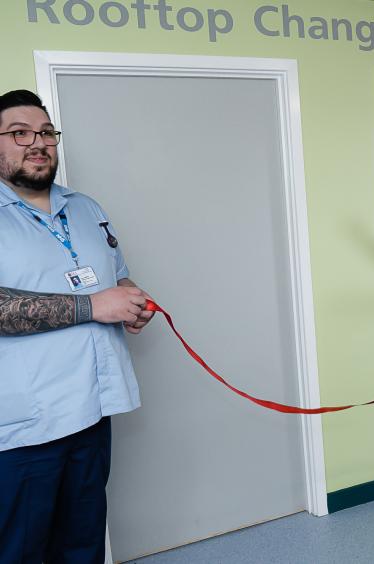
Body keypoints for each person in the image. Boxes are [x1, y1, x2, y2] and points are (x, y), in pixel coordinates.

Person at [0, 90, 155, 563]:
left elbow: (115, 273)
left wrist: (129, 301)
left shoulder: (85, 207)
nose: (38, 143)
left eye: (46, 132)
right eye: (19, 133)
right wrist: (95, 306)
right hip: (26, 427)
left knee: (83, 544)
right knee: (20, 550)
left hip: (93, 410)